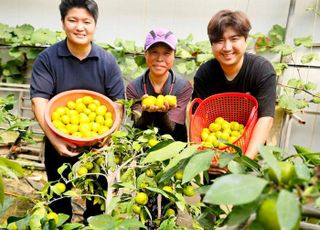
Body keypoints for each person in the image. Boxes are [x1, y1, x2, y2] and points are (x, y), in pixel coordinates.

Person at [30, 0, 125, 221]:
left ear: (94, 25)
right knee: (58, 203)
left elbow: (117, 103)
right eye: (72, 20)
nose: (79, 27)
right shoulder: (48, 59)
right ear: (63, 23)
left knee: (96, 202)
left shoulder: (107, 61)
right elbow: (39, 100)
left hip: (97, 148)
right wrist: (54, 139)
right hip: (59, 140)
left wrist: (108, 135)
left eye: (86, 21)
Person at [192, 10, 276, 174]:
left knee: (247, 196)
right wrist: (201, 158)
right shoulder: (205, 73)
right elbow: (197, 119)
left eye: (234, 39)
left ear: (245, 40)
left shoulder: (261, 70)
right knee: (211, 197)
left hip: (251, 151)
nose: (227, 47)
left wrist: (244, 162)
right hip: (214, 155)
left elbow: (265, 119)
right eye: (219, 41)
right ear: (212, 45)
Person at [126, 28, 193, 142]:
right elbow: (138, 123)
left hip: (174, 147)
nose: (160, 59)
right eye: (154, 52)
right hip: (142, 149)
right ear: (145, 54)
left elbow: (171, 128)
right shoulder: (133, 87)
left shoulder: (183, 87)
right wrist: (146, 113)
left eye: (166, 53)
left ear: (174, 56)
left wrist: (162, 113)